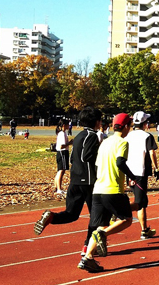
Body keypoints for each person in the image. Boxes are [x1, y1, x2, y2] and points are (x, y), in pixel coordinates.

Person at [34, 107, 102, 257]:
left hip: (75, 180)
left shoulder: (78, 136)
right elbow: (86, 157)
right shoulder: (92, 136)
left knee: (71, 214)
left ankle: (51, 217)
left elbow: (72, 159)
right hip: (89, 181)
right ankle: (87, 247)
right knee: (95, 216)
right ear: (97, 122)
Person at [77, 113, 139, 272]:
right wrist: (132, 177)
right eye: (129, 126)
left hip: (98, 190)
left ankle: (87, 258)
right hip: (113, 190)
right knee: (126, 219)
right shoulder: (122, 142)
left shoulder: (104, 142)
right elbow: (120, 162)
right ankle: (103, 235)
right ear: (125, 127)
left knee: (99, 225)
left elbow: (98, 165)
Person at [125, 111, 159, 239]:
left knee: (141, 201)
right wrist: (156, 168)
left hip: (128, 171)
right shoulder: (147, 136)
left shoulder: (127, 136)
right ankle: (118, 211)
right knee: (140, 202)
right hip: (140, 172)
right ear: (145, 123)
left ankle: (144, 229)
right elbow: (152, 153)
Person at [55, 119, 73, 195]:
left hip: (62, 152)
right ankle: (59, 188)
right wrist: (70, 143)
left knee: (60, 170)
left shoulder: (63, 133)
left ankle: (56, 187)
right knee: (61, 170)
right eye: (67, 124)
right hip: (62, 152)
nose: (69, 126)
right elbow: (62, 146)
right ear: (63, 125)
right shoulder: (62, 133)